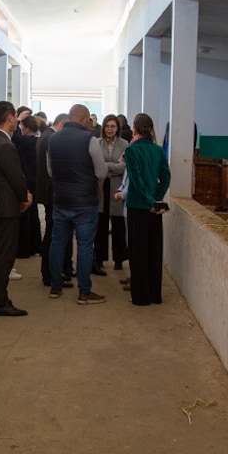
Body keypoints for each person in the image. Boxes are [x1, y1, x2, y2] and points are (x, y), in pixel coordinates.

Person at [47, 104, 109, 304]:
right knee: (84, 246)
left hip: (61, 200)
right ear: (83, 118)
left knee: (57, 243)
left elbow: (50, 171)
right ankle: (84, 292)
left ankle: (55, 286)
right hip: (84, 202)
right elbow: (101, 172)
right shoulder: (89, 140)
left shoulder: (53, 138)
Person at [0, 101, 32, 317]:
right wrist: (25, 197)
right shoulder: (4, 144)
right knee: (4, 255)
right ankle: (0, 302)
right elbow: (15, 177)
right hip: (5, 207)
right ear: (10, 117)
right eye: (15, 118)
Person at [122, 113, 171, 306]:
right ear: (151, 129)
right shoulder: (159, 150)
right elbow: (166, 178)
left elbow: (136, 180)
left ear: (134, 128)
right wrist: (157, 199)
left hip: (138, 206)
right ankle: (154, 294)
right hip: (154, 209)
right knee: (154, 251)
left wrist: (149, 201)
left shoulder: (131, 150)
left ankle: (141, 296)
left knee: (138, 252)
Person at [36, 112, 75, 288]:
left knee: (52, 234)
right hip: (53, 192)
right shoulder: (51, 138)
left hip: (48, 191)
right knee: (53, 235)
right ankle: (50, 274)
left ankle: (52, 272)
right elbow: (53, 169)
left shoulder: (46, 136)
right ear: (62, 124)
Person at [95, 114, 129, 272]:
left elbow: (124, 168)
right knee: (100, 223)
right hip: (101, 186)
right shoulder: (96, 143)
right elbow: (96, 165)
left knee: (118, 223)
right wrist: (113, 166)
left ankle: (119, 259)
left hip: (117, 186)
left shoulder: (125, 145)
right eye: (107, 126)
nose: (110, 129)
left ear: (118, 128)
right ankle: (99, 258)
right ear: (103, 127)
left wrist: (105, 166)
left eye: (113, 126)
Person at [14, 114, 42, 259]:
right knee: (33, 214)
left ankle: (24, 249)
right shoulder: (38, 141)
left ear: (26, 128)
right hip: (36, 180)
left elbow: (13, 135)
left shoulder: (26, 141)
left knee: (24, 215)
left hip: (26, 181)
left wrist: (17, 119)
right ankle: (36, 246)